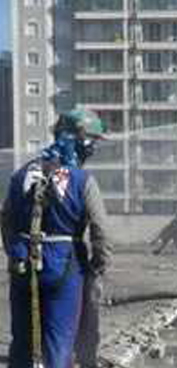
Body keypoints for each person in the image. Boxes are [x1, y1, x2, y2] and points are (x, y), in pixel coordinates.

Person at [1, 108, 112, 368]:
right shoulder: (82, 179)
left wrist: (14, 251)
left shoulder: (20, 176)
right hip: (63, 266)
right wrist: (98, 266)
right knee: (58, 343)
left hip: (21, 264)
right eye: (93, 141)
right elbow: (101, 231)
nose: (93, 148)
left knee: (22, 343)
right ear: (80, 140)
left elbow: (5, 219)